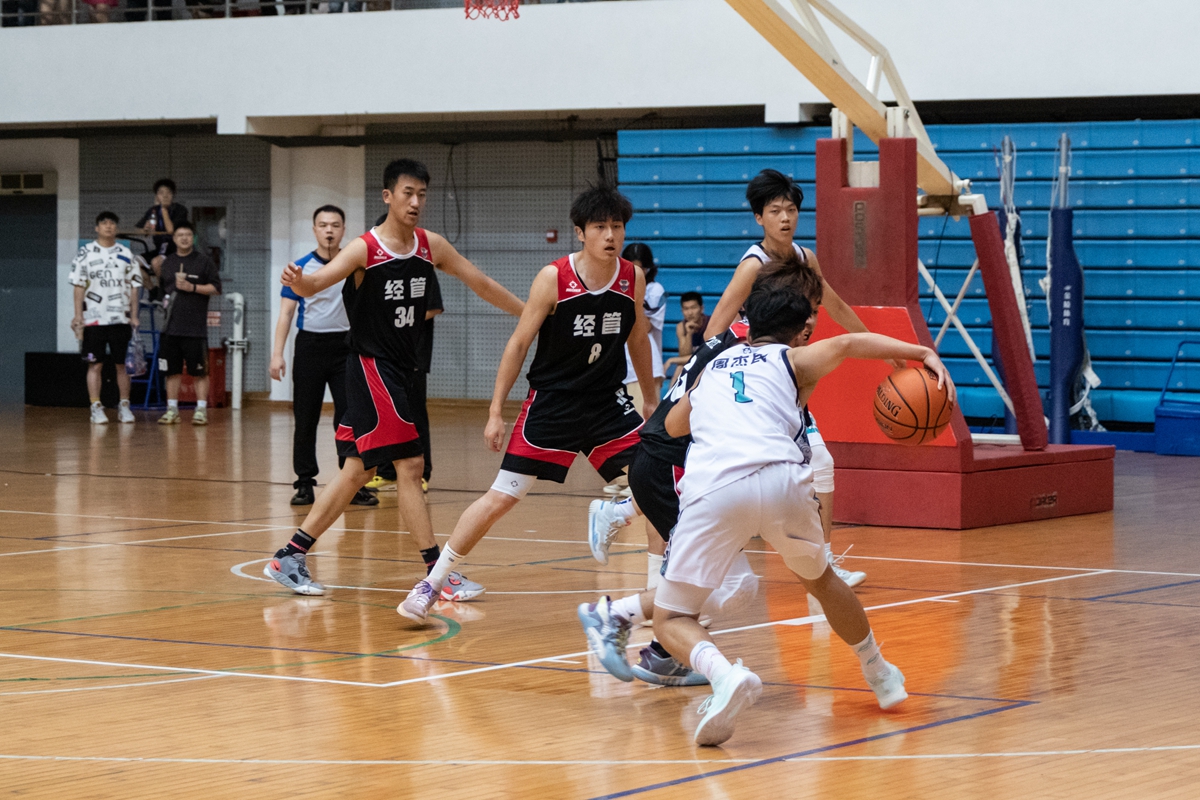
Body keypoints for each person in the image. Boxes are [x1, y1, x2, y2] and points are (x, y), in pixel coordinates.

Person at [611, 286, 953, 746]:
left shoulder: (711, 369)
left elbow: (674, 427)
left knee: (673, 619)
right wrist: (921, 352)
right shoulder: (792, 361)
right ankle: (881, 673)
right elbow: (851, 344)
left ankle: (724, 676)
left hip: (716, 490)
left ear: (748, 323)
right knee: (823, 582)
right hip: (783, 482)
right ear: (802, 331)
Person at [261, 158, 524, 602]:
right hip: (371, 370)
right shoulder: (366, 249)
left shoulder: (430, 246)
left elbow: (479, 283)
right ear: (388, 197)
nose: (416, 202)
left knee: (356, 472)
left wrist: (533, 312)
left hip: (400, 372)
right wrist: (298, 281)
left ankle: (289, 557)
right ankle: (437, 575)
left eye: (422, 194)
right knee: (410, 467)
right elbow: (317, 283)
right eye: (408, 193)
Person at [397, 185, 659, 624]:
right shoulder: (553, 278)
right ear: (580, 233)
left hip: (606, 404)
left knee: (658, 485)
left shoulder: (633, 277)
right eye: (600, 227)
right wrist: (495, 410)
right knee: (502, 497)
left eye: (617, 226)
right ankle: (431, 584)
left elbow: (637, 338)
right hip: (552, 403)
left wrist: (650, 397)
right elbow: (519, 343)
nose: (610, 235)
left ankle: (658, 601)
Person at [582, 252, 824, 687]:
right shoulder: (761, 354)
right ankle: (613, 615)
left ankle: (662, 652)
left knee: (711, 580)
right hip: (674, 465)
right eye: (807, 309)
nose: (812, 321)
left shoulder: (736, 338)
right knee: (733, 586)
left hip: (666, 462)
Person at [704, 168, 896, 588]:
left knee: (820, 463)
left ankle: (821, 565)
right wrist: (717, 372)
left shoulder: (806, 259)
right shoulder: (753, 265)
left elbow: (838, 306)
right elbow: (714, 327)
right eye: (775, 211)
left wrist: (880, 347)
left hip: (781, 371)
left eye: (791, 209)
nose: (785, 218)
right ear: (759, 218)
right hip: (750, 374)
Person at [270, 205, 377, 508]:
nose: (329, 230)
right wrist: (277, 355)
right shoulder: (300, 268)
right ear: (314, 230)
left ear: (344, 229)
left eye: (335, 225)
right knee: (305, 418)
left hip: (347, 348)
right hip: (310, 347)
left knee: (351, 418)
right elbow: (286, 314)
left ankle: (353, 483)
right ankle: (304, 483)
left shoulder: (355, 264)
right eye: (323, 225)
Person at [365, 211, 443, 495]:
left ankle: (422, 473)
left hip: (413, 354)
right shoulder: (375, 268)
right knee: (386, 416)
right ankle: (386, 472)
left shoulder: (421, 266)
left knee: (414, 414)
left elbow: (434, 307)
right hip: (382, 357)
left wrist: (396, 316)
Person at [69, 211, 142, 425]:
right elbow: (78, 286)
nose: (108, 226)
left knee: (122, 365)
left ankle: (124, 405)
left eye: (112, 223)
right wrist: (77, 316)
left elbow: (135, 287)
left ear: (116, 229)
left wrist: (135, 315)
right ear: (96, 228)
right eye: (104, 223)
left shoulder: (126, 254)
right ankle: (95, 406)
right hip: (94, 320)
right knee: (95, 365)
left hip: (120, 318)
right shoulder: (85, 253)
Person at [155, 222, 221, 426]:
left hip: (195, 328)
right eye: (180, 234)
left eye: (188, 234)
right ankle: (172, 409)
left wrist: (192, 287)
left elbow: (216, 288)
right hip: (170, 328)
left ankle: (200, 410)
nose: (184, 238)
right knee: (171, 371)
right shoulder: (167, 263)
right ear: (174, 239)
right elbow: (161, 290)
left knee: (199, 371)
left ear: (193, 237)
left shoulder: (204, 261)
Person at [620, 242, 665, 411]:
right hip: (619, 366)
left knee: (641, 427)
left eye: (640, 269)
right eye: (631, 268)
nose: (635, 274)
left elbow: (644, 327)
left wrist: (635, 293)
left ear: (647, 269)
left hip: (645, 367)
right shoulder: (615, 289)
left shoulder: (655, 291)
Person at [136, 179, 189, 276]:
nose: (165, 196)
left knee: (156, 263)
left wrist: (163, 209)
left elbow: (170, 230)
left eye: (168, 192)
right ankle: (152, 289)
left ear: (173, 195)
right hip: (159, 250)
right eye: (161, 193)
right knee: (133, 263)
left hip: (175, 251)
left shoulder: (180, 209)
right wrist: (145, 228)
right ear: (157, 196)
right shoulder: (153, 210)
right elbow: (140, 230)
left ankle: (162, 290)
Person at [665, 292, 708, 380]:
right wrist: (689, 334)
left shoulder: (710, 324)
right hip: (693, 365)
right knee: (680, 367)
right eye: (686, 309)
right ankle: (672, 394)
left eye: (693, 308)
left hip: (709, 364)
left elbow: (707, 356)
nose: (690, 312)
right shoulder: (681, 326)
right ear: (682, 311)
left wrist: (671, 360)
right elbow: (684, 355)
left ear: (701, 308)